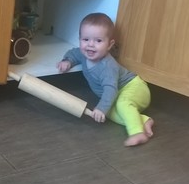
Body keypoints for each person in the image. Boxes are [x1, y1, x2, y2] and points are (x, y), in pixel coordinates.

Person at [57, 12, 154, 147]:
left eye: (98, 41)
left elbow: (110, 90)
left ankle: (137, 133)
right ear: (80, 39)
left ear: (109, 44)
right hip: (118, 93)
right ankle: (143, 121)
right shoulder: (83, 54)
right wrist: (67, 61)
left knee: (121, 105)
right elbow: (73, 53)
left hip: (135, 88)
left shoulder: (107, 66)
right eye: (85, 39)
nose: (90, 45)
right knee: (108, 114)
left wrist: (101, 108)